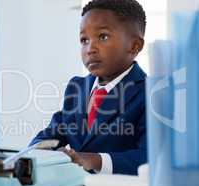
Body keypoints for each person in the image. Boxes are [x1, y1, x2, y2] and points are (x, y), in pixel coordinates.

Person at [29, 0, 147, 175]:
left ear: (134, 46)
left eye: (103, 37)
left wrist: (94, 159)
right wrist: (35, 152)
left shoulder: (150, 93)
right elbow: (53, 134)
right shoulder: (76, 87)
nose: (90, 48)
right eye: (84, 40)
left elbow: (149, 157)